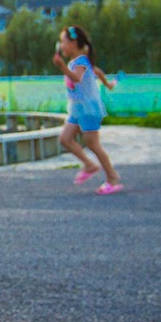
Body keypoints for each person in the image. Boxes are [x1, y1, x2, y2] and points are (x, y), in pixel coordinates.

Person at [52, 24, 123, 194]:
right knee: (65, 138)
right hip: (77, 109)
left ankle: (112, 178)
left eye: (63, 42)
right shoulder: (78, 62)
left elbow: (76, 78)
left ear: (74, 43)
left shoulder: (81, 62)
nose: (61, 46)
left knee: (93, 144)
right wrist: (108, 84)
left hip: (88, 109)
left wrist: (61, 66)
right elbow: (96, 71)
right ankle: (90, 165)